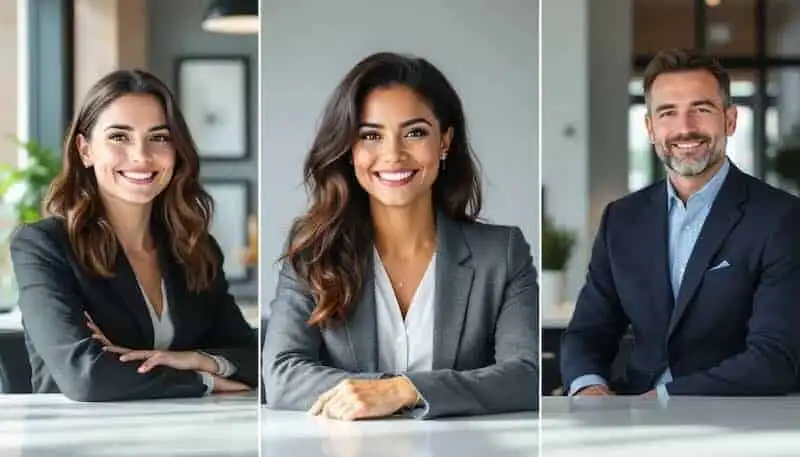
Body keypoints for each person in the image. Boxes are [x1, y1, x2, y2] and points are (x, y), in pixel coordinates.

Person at [262, 52, 539, 420]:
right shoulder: (313, 250)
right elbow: (282, 374)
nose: (393, 154)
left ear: (445, 142)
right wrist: (387, 391)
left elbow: (525, 376)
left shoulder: (502, 253)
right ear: (349, 149)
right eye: (371, 135)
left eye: (415, 132)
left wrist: (403, 390)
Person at [561, 48, 800, 398]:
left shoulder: (781, 218)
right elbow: (588, 332)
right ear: (650, 128)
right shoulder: (621, 219)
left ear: (729, 120)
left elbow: (774, 358)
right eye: (668, 113)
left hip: (740, 420)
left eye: (701, 110)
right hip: (632, 418)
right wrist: (588, 387)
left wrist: (661, 400)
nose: (685, 128)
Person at [9, 69, 258, 401]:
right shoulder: (44, 246)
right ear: (85, 150)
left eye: (159, 137)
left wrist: (198, 359)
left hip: (188, 434)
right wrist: (204, 381)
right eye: (119, 137)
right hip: (77, 441)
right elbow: (85, 376)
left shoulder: (194, 249)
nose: (141, 155)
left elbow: (253, 356)